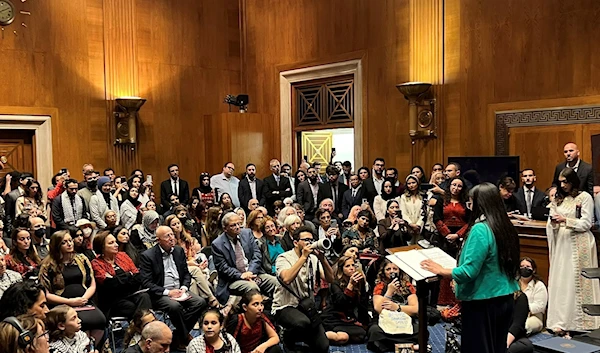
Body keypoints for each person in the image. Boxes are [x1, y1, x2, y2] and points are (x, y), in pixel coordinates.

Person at [421, 182, 521, 353]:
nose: (469, 207)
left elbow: (468, 272)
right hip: (504, 298)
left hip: (482, 302)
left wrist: (441, 270)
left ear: (479, 204)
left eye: (470, 203)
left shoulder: (480, 229)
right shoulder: (505, 226)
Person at [546, 167, 600, 333]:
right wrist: (554, 223)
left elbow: (586, 223)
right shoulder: (559, 199)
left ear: (573, 181)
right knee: (562, 280)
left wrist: (565, 220)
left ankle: (582, 322)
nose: (563, 185)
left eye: (566, 182)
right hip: (562, 243)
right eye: (560, 182)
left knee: (576, 279)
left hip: (579, 243)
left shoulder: (584, 197)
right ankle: (561, 321)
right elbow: (551, 218)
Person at [138, 225, 206, 349]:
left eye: (172, 235)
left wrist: (184, 288)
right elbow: (147, 283)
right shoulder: (148, 256)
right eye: (167, 236)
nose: (171, 238)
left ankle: (178, 335)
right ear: (158, 240)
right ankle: (185, 336)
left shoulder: (179, 251)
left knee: (200, 302)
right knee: (175, 307)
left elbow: (186, 274)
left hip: (180, 290)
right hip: (161, 293)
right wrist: (168, 292)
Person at [272, 226, 334, 353]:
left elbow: (330, 279)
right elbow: (287, 279)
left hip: (306, 306)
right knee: (302, 323)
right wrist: (303, 257)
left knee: (323, 346)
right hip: (285, 306)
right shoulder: (283, 257)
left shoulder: (314, 259)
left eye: (311, 240)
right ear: (295, 242)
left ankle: (303, 336)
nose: (309, 243)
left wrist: (322, 258)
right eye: (305, 240)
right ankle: (286, 336)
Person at [38, 231, 106, 343]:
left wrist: (84, 298)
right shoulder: (48, 265)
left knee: (100, 321)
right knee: (81, 325)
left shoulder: (82, 259)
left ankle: (89, 347)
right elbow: (46, 294)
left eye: (70, 240)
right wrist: (70, 301)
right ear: (57, 246)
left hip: (84, 301)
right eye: (64, 242)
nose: (69, 244)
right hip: (62, 305)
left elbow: (92, 284)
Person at [212, 213, 277, 305]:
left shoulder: (247, 233)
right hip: (234, 279)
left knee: (274, 282)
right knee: (252, 287)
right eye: (233, 225)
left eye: (239, 224)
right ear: (225, 228)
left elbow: (257, 255)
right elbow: (223, 268)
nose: (238, 227)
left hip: (253, 273)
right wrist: (241, 275)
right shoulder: (217, 244)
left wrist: (250, 272)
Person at [91, 232, 152, 318]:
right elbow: (110, 285)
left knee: (144, 296)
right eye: (111, 243)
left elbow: (138, 277)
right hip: (113, 300)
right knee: (132, 307)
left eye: (115, 242)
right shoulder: (96, 263)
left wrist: (118, 279)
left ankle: (139, 326)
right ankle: (143, 326)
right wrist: (129, 275)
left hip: (132, 294)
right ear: (102, 247)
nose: (116, 245)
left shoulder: (122, 255)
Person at [367, 259, 418, 353]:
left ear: (399, 271)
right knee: (374, 332)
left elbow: (415, 309)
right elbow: (378, 309)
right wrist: (389, 292)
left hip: (403, 322)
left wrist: (397, 307)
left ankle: (394, 346)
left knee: (421, 331)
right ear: (383, 272)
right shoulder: (380, 286)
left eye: (395, 269)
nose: (392, 271)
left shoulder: (407, 286)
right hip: (385, 322)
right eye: (388, 269)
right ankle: (408, 346)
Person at [321, 256, 369, 345]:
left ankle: (334, 336)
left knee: (361, 334)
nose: (351, 268)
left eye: (353, 265)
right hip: (333, 317)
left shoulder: (359, 281)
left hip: (347, 318)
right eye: (347, 266)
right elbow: (341, 303)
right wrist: (350, 285)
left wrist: (364, 322)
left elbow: (363, 303)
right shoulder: (335, 283)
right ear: (341, 269)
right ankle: (318, 335)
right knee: (356, 335)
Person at [518, 257, 547, 335]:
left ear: (533, 270)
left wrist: (521, 309)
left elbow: (540, 306)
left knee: (523, 325)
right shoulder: (514, 283)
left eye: (527, 267)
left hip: (533, 317)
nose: (524, 268)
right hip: (514, 315)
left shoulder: (539, 285)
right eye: (522, 266)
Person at [399, 174, 428, 245]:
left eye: (413, 183)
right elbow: (403, 212)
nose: (411, 185)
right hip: (408, 227)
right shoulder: (403, 197)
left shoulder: (423, 196)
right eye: (409, 183)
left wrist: (418, 225)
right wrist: (411, 224)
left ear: (417, 183)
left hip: (420, 227)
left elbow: (424, 212)